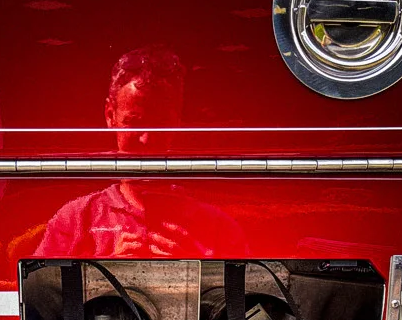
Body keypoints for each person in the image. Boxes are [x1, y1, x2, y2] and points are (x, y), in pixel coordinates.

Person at [35, 45, 248, 258]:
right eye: (134, 122)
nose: (146, 139)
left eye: (160, 123)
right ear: (110, 115)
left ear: (177, 121)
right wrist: (107, 269)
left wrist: (192, 269)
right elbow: (38, 280)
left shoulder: (220, 228)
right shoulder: (73, 221)